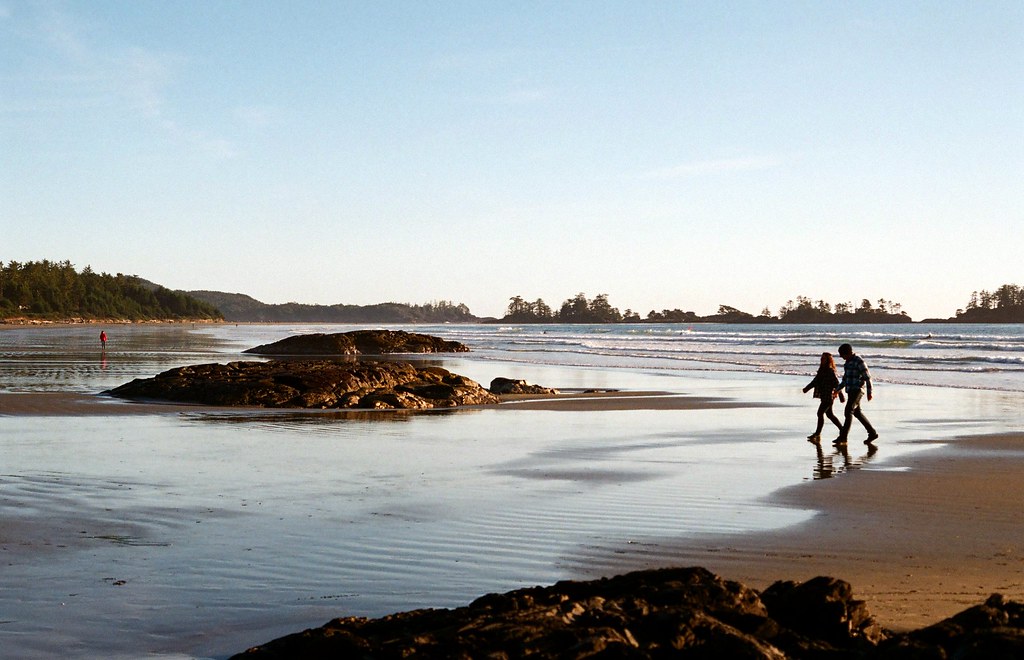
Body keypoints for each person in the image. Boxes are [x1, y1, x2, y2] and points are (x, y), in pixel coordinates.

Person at [834, 343, 878, 445]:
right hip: (850, 391)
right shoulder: (847, 363)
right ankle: (872, 433)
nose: (841, 357)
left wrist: (869, 392)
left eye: (842, 354)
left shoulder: (859, 361)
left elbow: (867, 377)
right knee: (857, 413)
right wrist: (837, 390)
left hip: (858, 391)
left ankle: (843, 437)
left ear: (848, 353)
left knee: (848, 411)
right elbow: (845, 380)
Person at [802, 352, 844, 442]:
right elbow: (815, 381)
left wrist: (841, 395)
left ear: (828, 360)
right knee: (830, 415)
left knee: (820, 413)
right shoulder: (821, 370)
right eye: (821, 358)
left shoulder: (830, 371)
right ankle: (842, 430)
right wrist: (807, 388)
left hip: (829, 396)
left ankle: (817, 433)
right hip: (824, 396)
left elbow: (836, 384)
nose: (821, 360)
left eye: (823, 359)